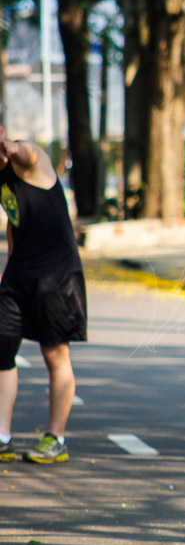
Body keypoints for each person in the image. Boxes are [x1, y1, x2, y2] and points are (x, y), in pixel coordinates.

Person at [0, 126, 87, 463]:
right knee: (2, 349)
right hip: (19, 274)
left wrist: (8, 146)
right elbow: (14, 217)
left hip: (56, 273)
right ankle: (3, 436)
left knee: (54, 354)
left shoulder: (28, 158)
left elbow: (27, 153)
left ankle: (56, 438)